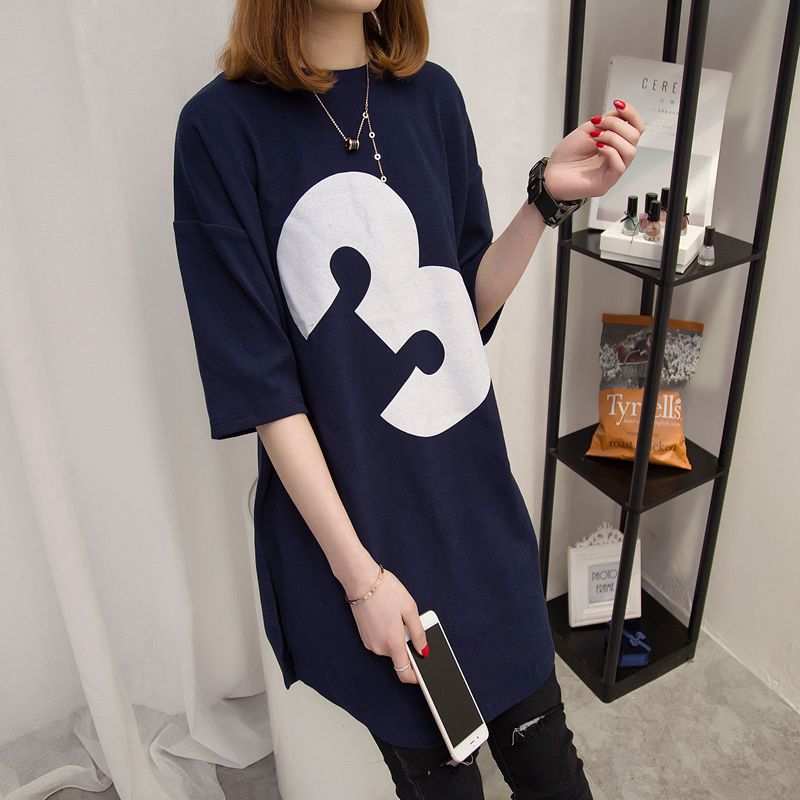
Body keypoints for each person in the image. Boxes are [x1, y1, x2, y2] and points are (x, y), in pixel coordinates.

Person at [171, 1, 644, 797]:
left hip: (473, 509)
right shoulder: (220, 131)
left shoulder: (433, 98)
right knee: (442, 776)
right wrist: (362, 580)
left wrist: (545, 202)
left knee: (550, 765)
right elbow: (262, 390)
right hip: (363, 534)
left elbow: (460, 311)